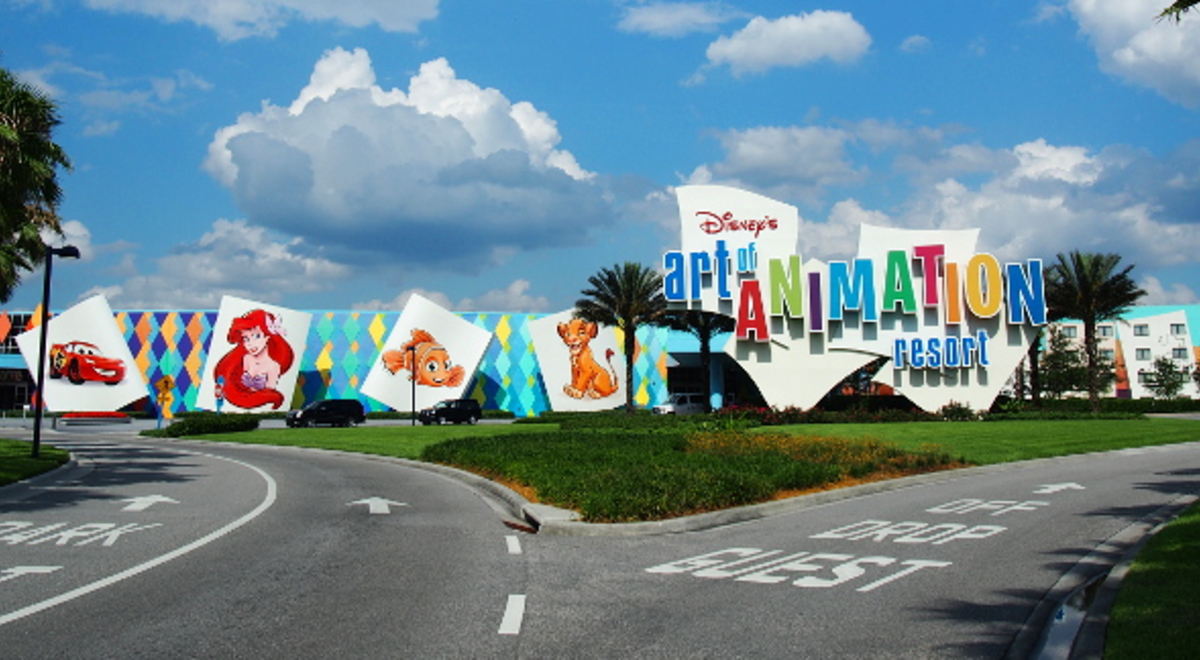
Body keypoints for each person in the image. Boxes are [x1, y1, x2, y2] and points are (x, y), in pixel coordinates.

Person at [214, 309, 294, 410]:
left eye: (257, 336)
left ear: (267, 336)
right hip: (239, 405)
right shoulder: (246, 359)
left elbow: (269, 392)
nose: (250, 343)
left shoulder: (273, 367)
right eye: (246, 338)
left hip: (260, 406)